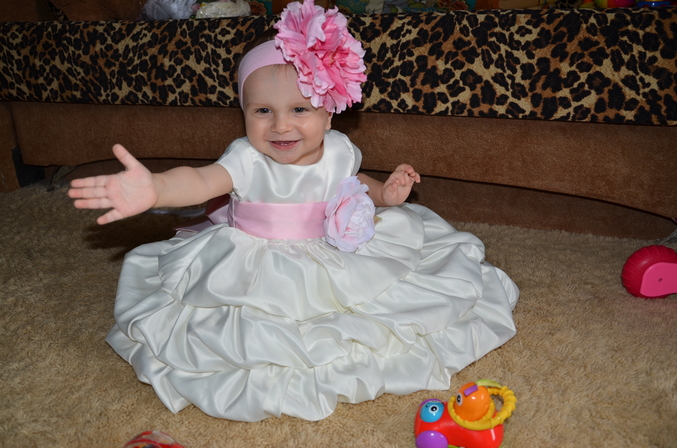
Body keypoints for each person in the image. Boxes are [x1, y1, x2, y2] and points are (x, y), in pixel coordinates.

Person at [68, 0, 518, 422]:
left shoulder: (339, 149)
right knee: (249, 331)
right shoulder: (246, 158)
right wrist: (158, 188)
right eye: (262, 110)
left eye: (299, 109)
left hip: (330, 252)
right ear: (243, 113)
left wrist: (385, 194)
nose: (281, 125)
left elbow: (351, 182)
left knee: (377, 309)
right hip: (255, 262)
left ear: (329, 114)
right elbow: (203, 181)